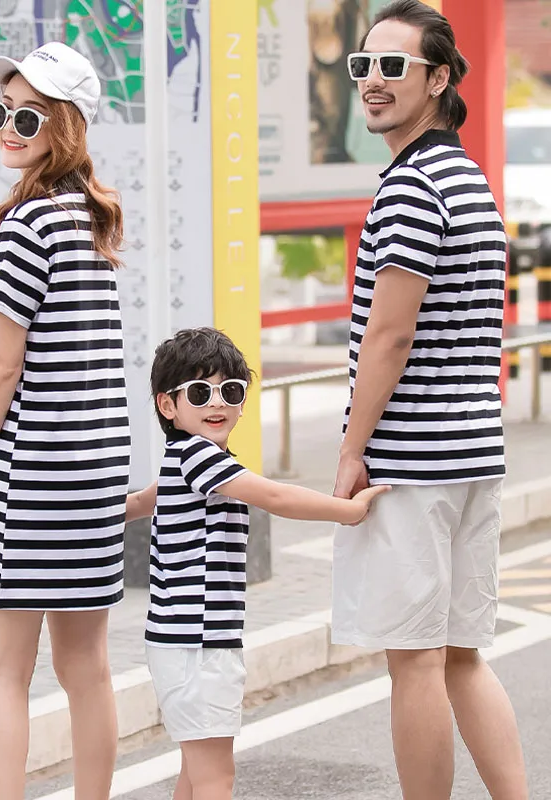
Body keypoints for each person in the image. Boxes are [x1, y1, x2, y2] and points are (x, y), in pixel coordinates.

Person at [332, 2, 528, 799]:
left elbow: (390, 335)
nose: (372, 82)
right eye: (363, 66)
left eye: (394, 67)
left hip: (413, 461)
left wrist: (352, 448)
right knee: (461, 656)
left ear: (440, 77)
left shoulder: (411, 187)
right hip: (474, 451)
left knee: (414, 661)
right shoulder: (468, 179)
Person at [0, 42, 130, 799]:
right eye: (0, 112)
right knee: (86, 666)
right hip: (97, 466)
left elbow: (4, 365)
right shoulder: (91, 220)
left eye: (27, 116)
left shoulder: (30, 223)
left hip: (35, 469)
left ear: (66, 125)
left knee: (4, 670)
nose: (7, 127)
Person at [125, 327, 388, 800]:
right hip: (198, 644)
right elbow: (274, 496)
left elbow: (141, 502)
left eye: (230, 390)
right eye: (200, 392)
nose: (217, 403)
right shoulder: (199, 458)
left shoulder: (182, 458)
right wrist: (346, 511)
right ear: (168, 405)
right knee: (215, 778)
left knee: (196, 774)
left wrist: (79, 512)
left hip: (184, 642)